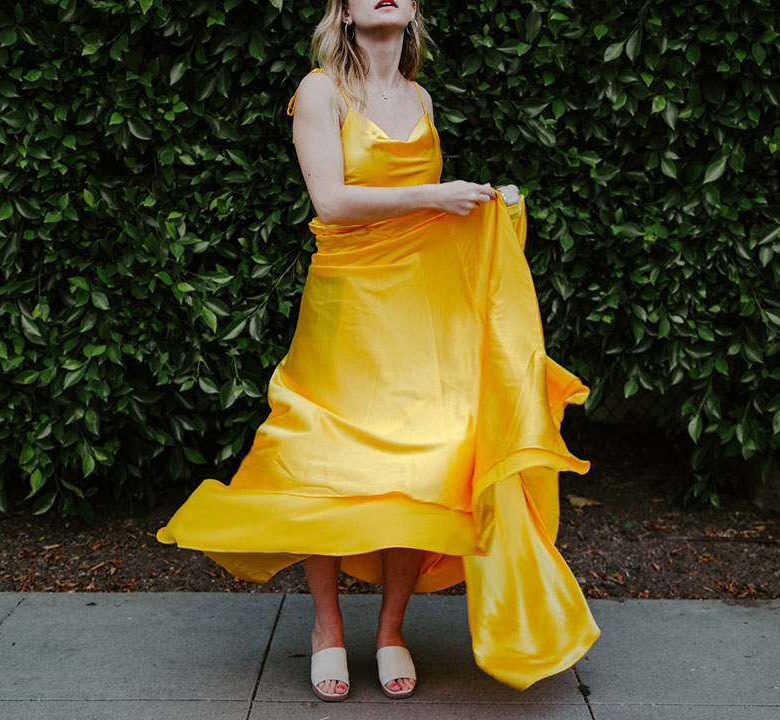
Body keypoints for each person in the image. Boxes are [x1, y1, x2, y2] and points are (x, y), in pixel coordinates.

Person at [156, 0, 600, 703]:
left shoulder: (419, 96)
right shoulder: (320, 90)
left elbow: (428, 219)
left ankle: (391, 629)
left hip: (420, 304)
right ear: (345, 10)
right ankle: (327, 628)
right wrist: (439, 193)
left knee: (420, 457)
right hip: (349, 303)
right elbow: (331, 201)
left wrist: (482, 209)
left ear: (415, 6)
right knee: (330, 456)